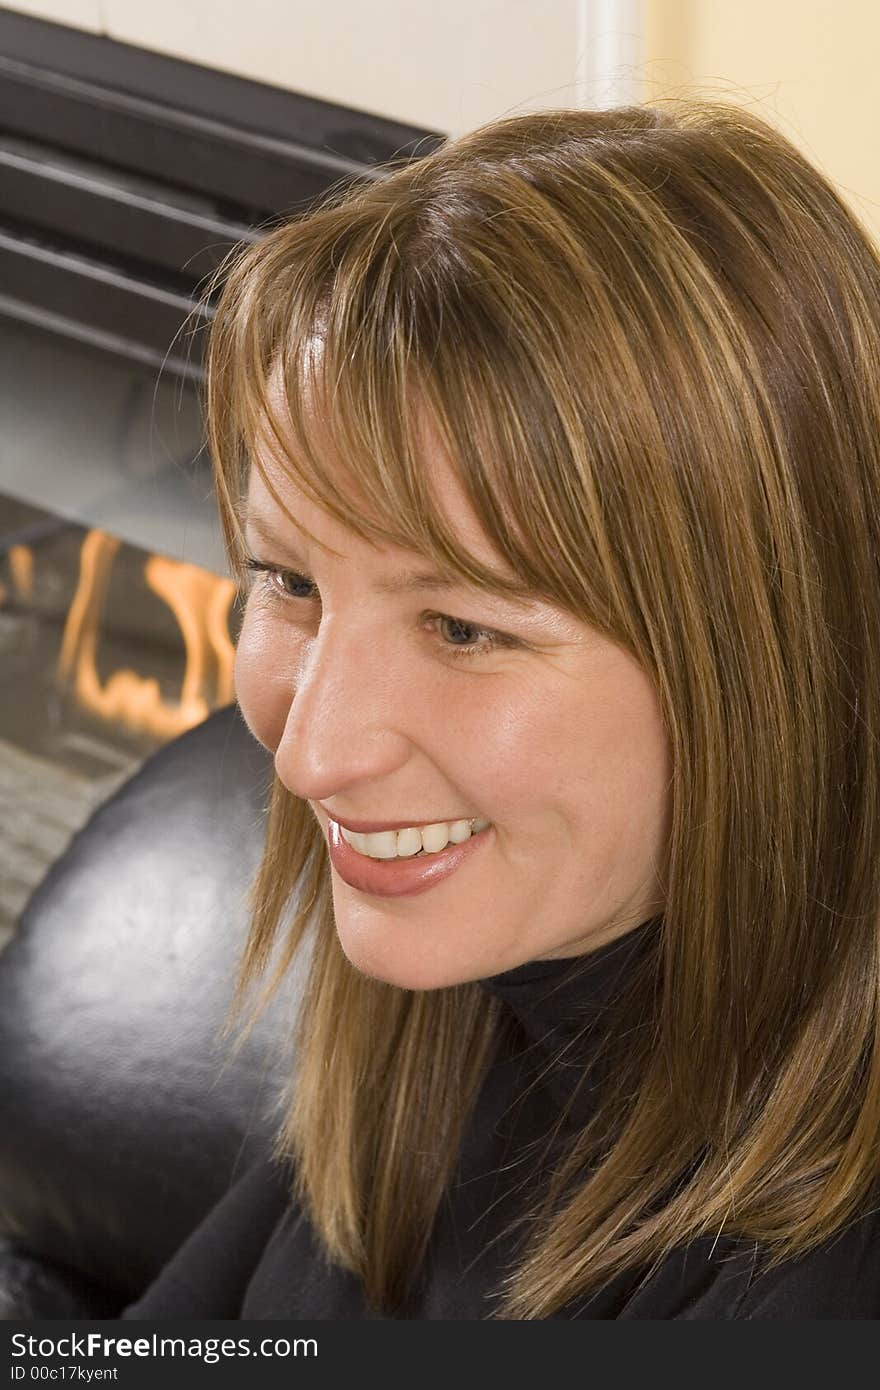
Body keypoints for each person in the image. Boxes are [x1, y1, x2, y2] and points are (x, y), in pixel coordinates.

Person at [123, 98, 880, 1319]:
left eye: (464, 627)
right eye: (289, 581)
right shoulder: (465, 994)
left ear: (764, 661)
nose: (311, 753)